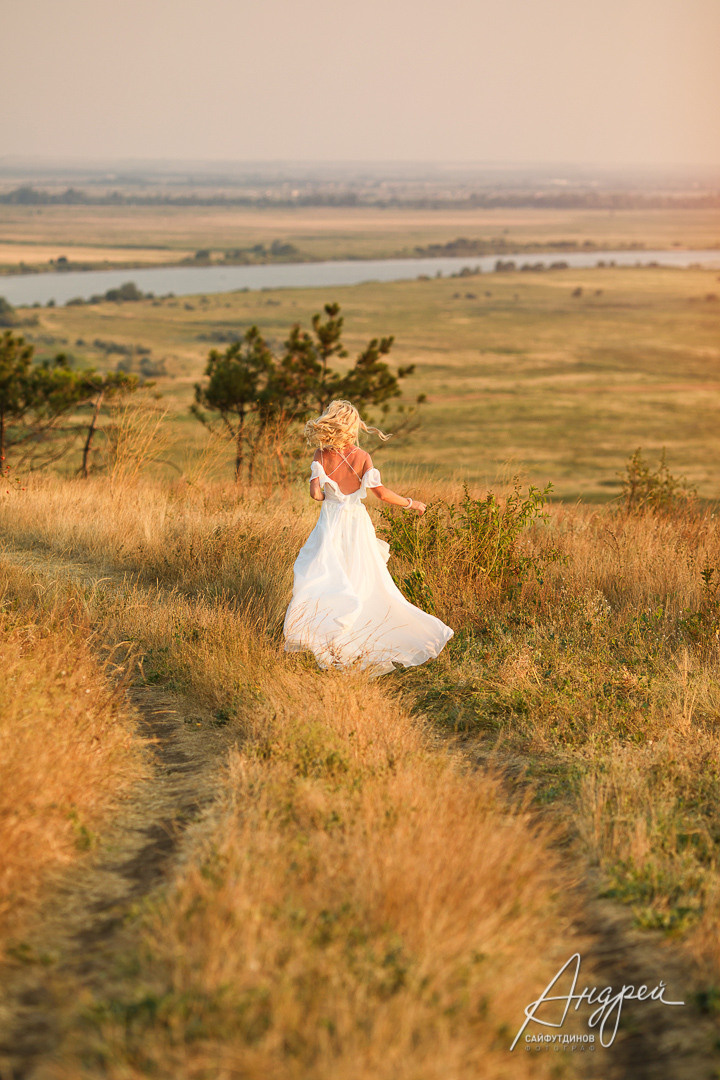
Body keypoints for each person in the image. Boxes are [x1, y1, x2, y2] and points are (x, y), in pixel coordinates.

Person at [283, 399, 454, 675]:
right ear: (353, 426)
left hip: (330, 524)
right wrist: (412, 503)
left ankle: (328, 637)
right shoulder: (362, 457)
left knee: (325, 576)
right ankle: (365, 633)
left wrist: (329, 493)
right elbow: (382, 494)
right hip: (356, 525)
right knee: (364, 578)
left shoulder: (320, 454)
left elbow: (315, 495)